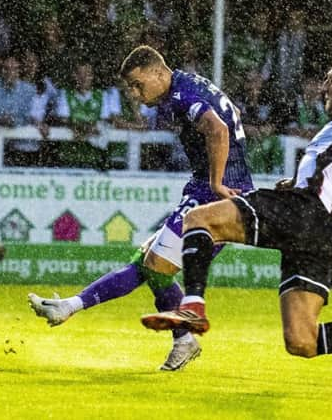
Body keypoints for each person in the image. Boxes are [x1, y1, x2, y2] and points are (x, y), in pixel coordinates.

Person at [141, 50, 332, 366]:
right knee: (302, 340)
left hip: (305, 211)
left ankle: (193, 306)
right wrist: (294, 181)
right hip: (323, 230)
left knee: (198, 218)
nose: (324, 86)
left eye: (331, 80)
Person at [28, 45, 254, 370]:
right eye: (130, 88)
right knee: (149, 261)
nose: (135, 94)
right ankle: (177, 338)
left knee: (155, 264)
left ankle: (73, 308)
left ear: (158, 72)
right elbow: (232, 118)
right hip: (211, 189)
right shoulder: (189, 85)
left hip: (217, 195)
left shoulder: (180, 95)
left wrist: (218, 182)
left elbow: (217, 129)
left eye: (137, 84)